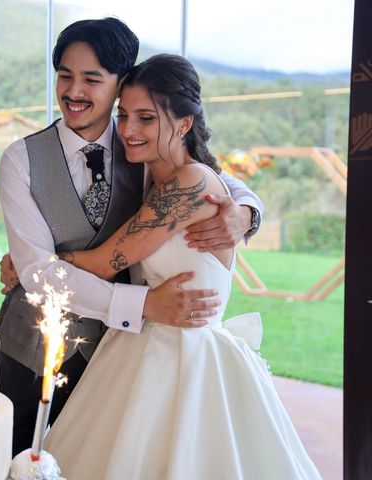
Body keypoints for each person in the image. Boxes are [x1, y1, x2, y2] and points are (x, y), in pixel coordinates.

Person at [43, 53, 321, 479]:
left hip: (187, 360)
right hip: (138, 346)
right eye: (124, 115)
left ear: (185, 123)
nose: (129, 130)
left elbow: (104, 263)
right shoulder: (151, 175)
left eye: (146, 118)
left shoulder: (191, 183)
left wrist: (35, 262)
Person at [0, 18, 264, 457]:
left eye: (92, 79)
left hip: (114, 357)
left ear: (119, 84)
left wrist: (248, 212)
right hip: (31, 348)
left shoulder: (143, 144)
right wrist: (33, 265)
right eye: (65, 75)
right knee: (9, 460)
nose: (74, 91)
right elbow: (38, 273)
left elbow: (209, 178)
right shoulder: (21, 159)